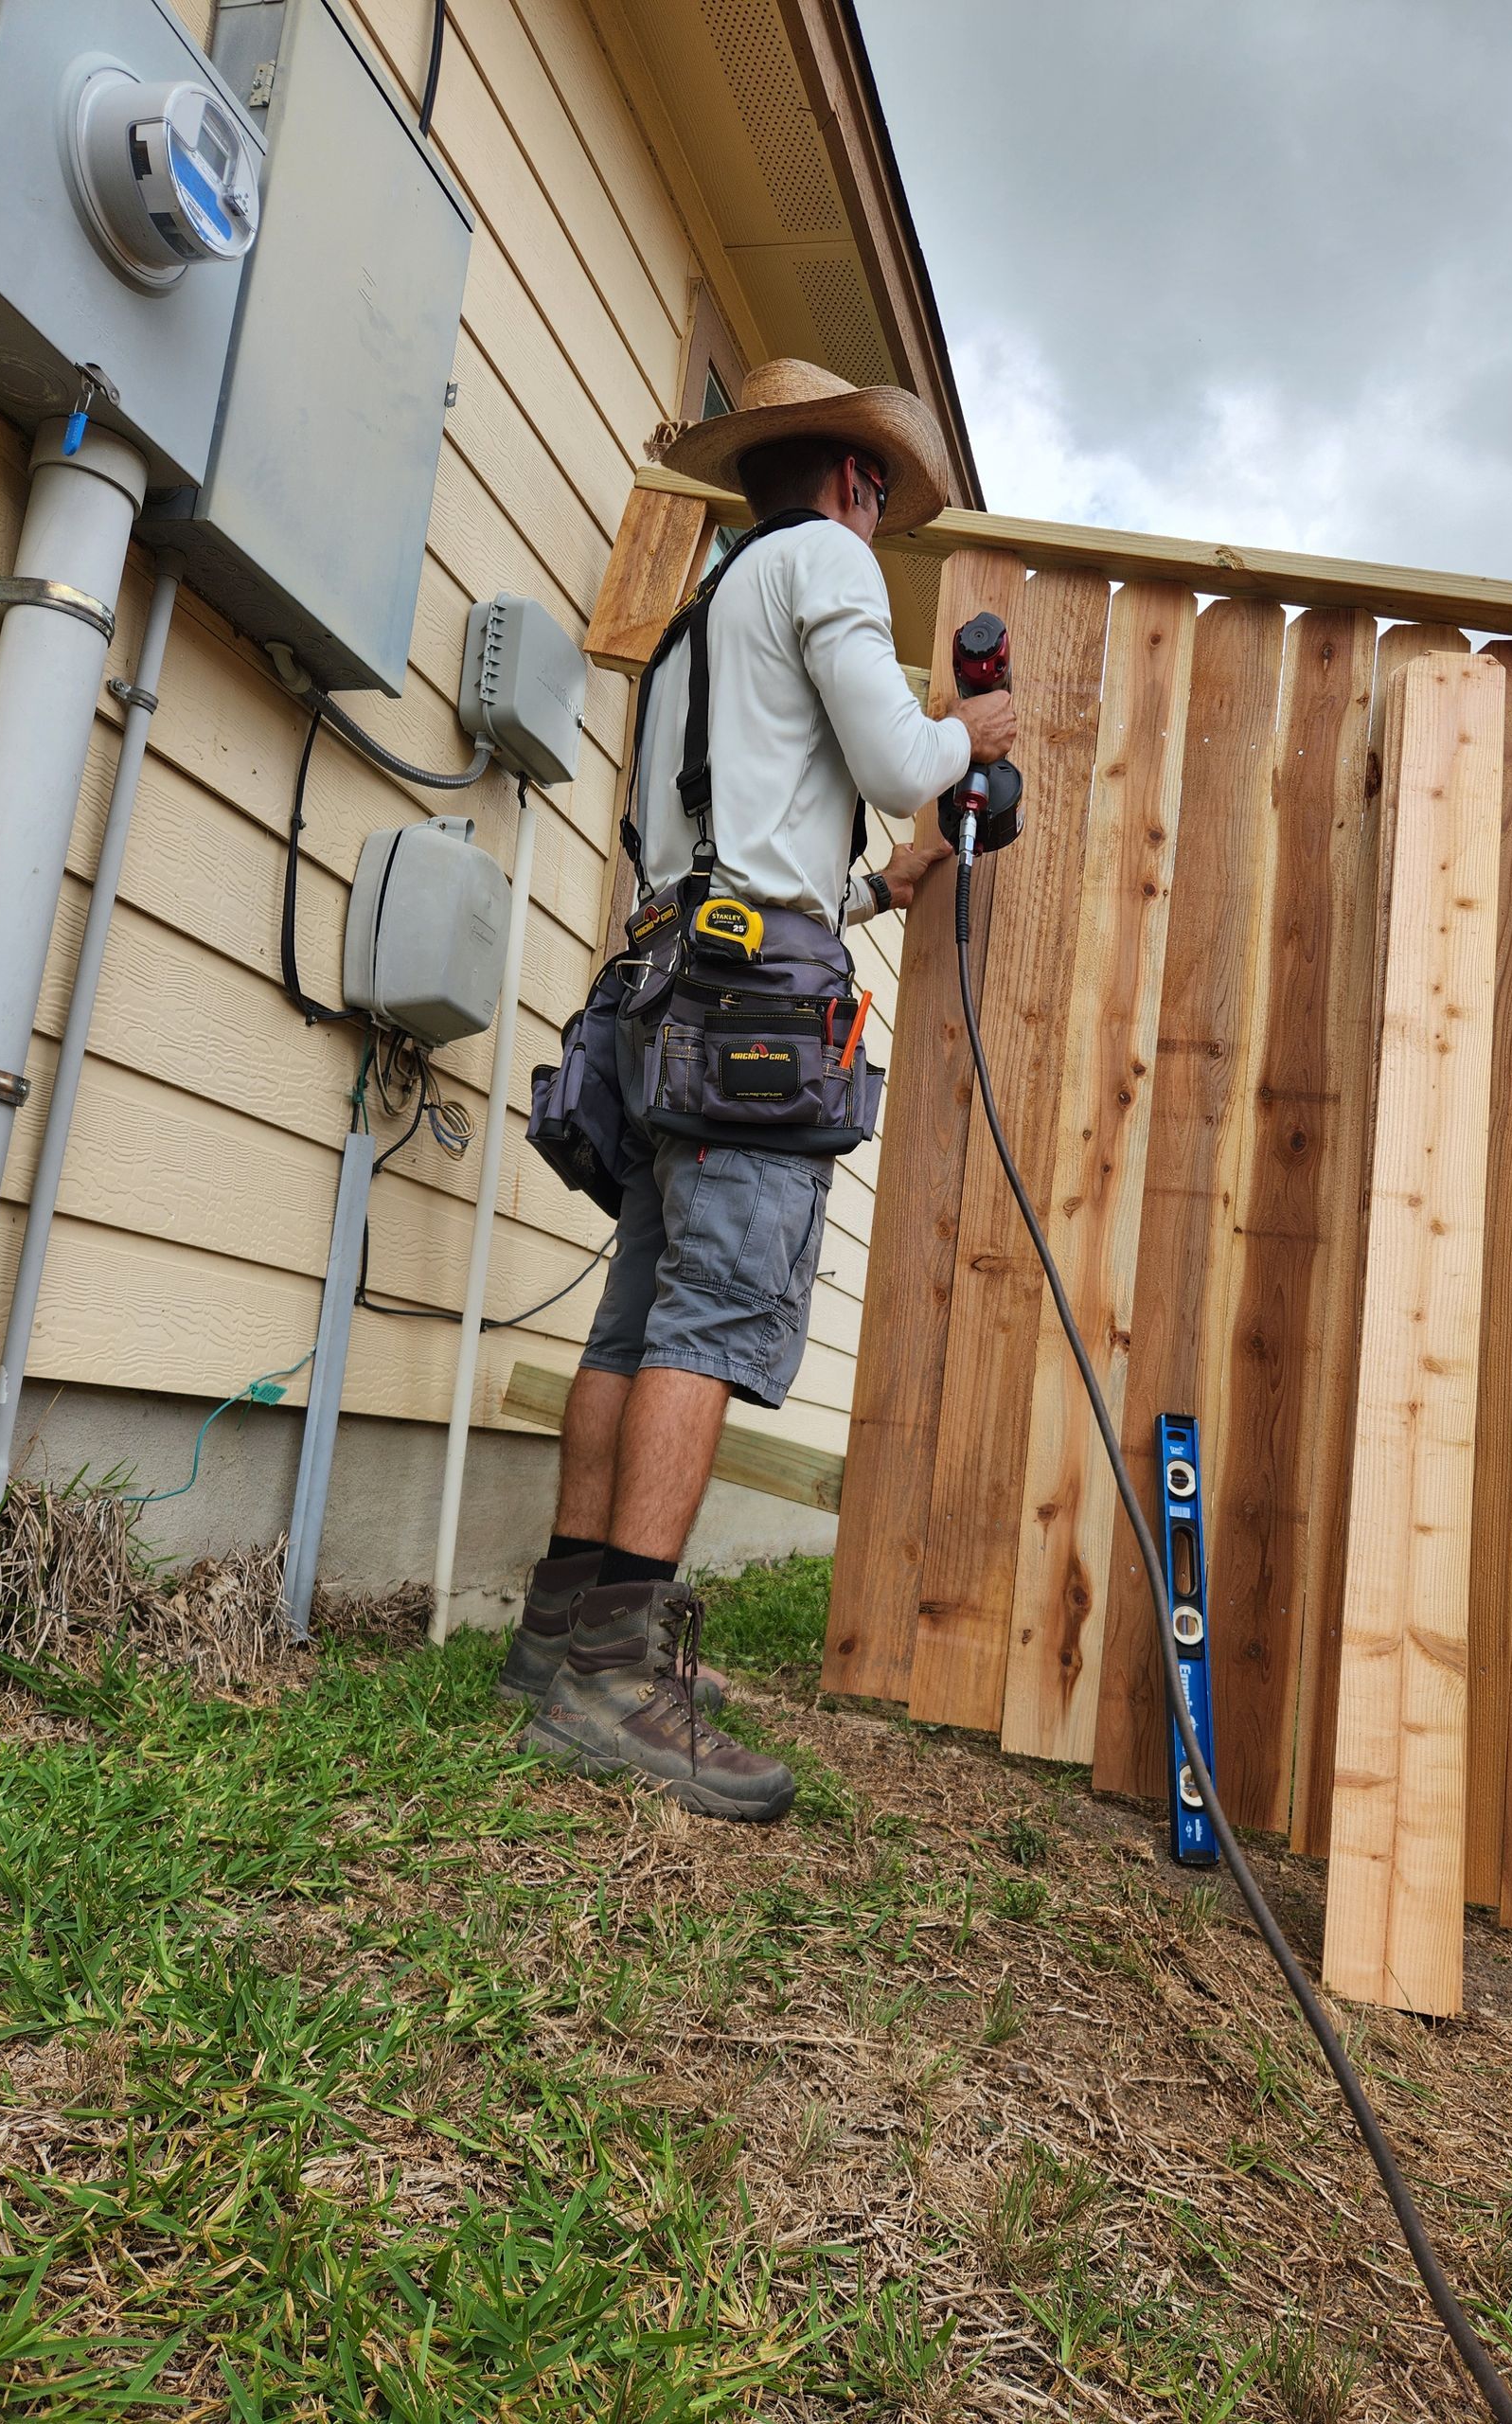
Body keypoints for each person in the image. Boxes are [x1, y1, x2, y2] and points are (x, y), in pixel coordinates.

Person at [501, 359, 1017, 1822]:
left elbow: (737, 846)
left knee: (637, 1315)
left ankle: (563, 1640)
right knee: (716, 1317)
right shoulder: (833, 566)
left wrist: (870, 893)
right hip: (749, 1023)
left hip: (668, 991)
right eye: (876, 498)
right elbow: (897, 754)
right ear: (854, 482)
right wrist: (967, 738)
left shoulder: (696, 625)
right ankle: (619, 1676)